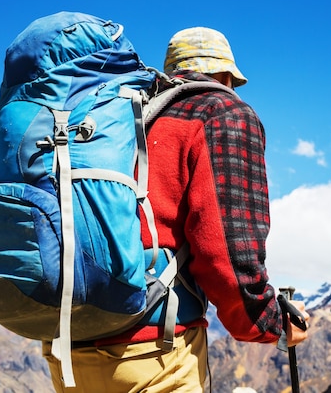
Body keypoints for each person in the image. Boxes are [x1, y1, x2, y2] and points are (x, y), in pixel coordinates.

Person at [43, 26, 309, 393]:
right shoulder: (221, 111)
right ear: (226, 76)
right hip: (152, 354)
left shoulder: (126, 119)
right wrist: (272, 323)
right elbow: (226, 252)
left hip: (67, 350)